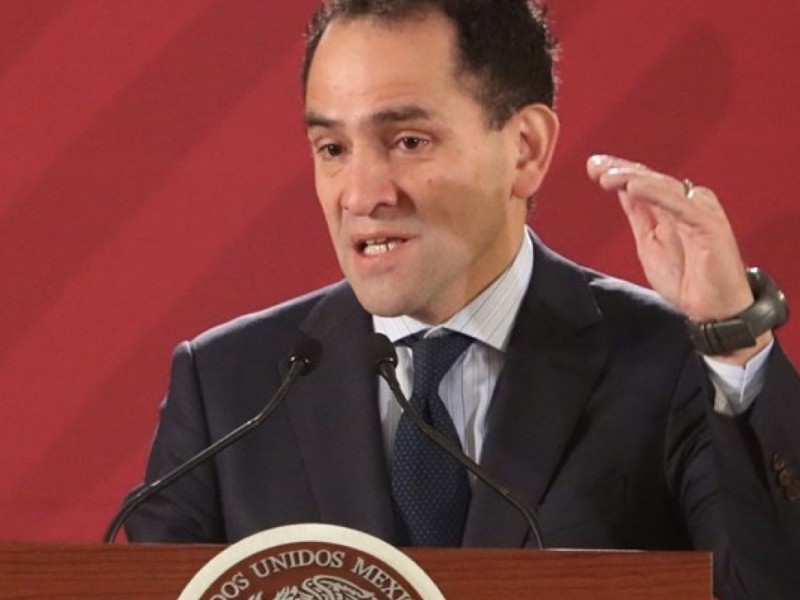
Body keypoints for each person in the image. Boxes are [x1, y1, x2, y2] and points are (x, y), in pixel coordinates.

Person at [124, 1, 800, 598]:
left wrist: (734, 339)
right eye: (332, 148)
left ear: (525, 149)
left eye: (408, 141)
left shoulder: (671, 364)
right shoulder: (230, 389)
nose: (360, 194)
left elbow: (773, 583)